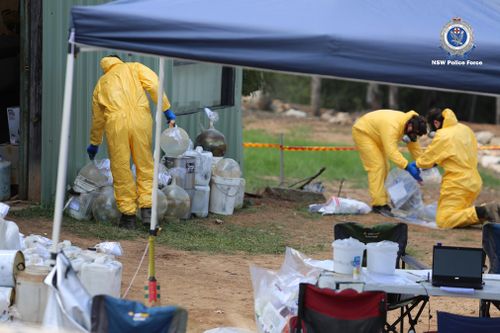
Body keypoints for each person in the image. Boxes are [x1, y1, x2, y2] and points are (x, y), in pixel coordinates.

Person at [86, 55, 176, 229]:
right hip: (141, 120)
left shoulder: (101, 83)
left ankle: (128, 217)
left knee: (121, 167)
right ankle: (148, 211)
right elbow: (154, 85)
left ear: (106, 66)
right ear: (119, 60)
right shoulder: (134, 67)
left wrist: (94, 143)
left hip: (116, 124)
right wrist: (166, 109)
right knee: (145, 164)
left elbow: (97, 119)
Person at [408, 108, 500, 228]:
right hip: (474, 181)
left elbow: (426, 161)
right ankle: (489, 212)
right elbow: (456, 154)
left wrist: (416, 164)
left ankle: (485, 210)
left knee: (444, 221)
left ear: (436, 123)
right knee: (459, 215)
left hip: (457, 183)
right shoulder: (465, 129)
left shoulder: (443, 135)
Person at [352, 109, 427, 216]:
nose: (414, 136)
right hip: (363, 132)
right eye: (414, 133)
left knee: (385, 166)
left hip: (376, 134)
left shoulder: (411, 125)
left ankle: (382, 201)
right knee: (377, 166)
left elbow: (414, 148)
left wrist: (424, 165)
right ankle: (378, 205)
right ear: (410, 125)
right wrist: (407, 166)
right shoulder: (393, 127)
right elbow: (392, 152)